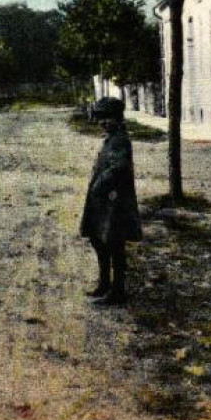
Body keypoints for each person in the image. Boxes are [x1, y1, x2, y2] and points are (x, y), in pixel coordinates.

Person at [80, 96, 141, 305]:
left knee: (115, 245)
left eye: (108, 118)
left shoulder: (120, 139)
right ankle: (105, 283)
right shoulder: (112, 137)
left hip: (115, 201)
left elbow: (119, 167)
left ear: (118, 118)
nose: (103, 123)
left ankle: (117, 290)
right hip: (105, 202)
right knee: (99, 240)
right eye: (100, 118)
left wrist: (99, 184)